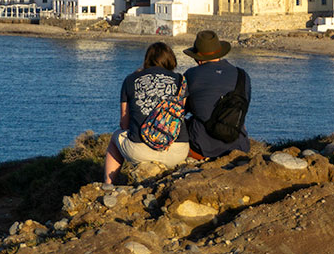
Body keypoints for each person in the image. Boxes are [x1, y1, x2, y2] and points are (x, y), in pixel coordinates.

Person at [104, 41, 189, 184]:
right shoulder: (181, 81)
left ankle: (108, 184)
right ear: (171, 60)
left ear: (147, 60)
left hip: (141, 151)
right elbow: (180, 114)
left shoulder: (130, 80)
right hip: (177, 151)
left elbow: (124, 123)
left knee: (115, 137)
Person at [184, 30, 251, 159]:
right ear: (220, 52)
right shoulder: (242, 76)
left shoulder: (191, 75)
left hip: (201, 149)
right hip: (239, 146)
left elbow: (181, 110)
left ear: (197, 58)